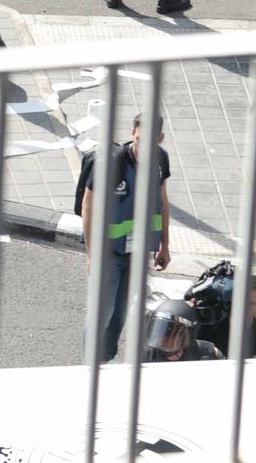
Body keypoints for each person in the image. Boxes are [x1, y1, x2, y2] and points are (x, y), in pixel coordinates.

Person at [80, 113, 174, 363]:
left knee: (120, 314)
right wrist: (92, 254)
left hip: (138, 250)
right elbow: (88, 206)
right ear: (133, 133)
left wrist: (165, 245)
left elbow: (163, 201)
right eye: (140, 138)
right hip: (108, 252)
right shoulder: (110, 164)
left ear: (161, 138)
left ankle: (105, 358)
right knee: (103, 312)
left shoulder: (160, 160)